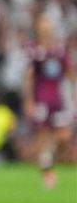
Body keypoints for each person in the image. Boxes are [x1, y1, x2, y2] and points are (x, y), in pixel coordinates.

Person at [23, 15, 74, 190]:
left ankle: (47, 161)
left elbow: (70, 74)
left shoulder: (60, 51)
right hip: (42, 101)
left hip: (59, 100)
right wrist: (29, 101)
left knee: (64, 136)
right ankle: (48, 174)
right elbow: (29, 77)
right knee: (44, 137)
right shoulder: (35, 52)